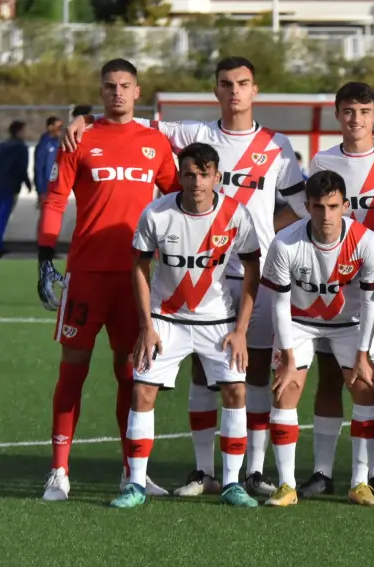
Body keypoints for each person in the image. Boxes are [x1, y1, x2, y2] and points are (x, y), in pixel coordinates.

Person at [64, 56, 305, 498]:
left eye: (243, 83)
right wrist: (84, 117)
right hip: (192, 279)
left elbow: (302, 204)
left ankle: (249, 472)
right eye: (226, 84)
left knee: (246, 376)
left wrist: (265, 226)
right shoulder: (195, 134)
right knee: (199, 373)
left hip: (252, 270)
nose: (234, 91)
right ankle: (201, 471)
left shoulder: (277, 145)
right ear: (215, 90)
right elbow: (128, 120)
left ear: (255, 90)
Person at [37, 58, 179, 501]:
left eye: (125, 85)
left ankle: (131, 472)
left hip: (135, 278)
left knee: (130, 376)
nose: (117, 92)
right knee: (71, 372)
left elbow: (176, 198)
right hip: (85, 276)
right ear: (100, 92)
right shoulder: (81, 137)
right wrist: (44, 254)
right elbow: (57, 197)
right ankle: (59, 472)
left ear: (138, 92)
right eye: (109, 86)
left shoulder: (155, 142)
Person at [111, 142, 261, 509]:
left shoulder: (237, 216)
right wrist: (146, 325)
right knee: (141, 392)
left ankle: (230, 483)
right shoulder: (157, 213)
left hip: (218, 320)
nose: (196, 182)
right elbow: (140, 268)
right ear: (179, 176)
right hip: (166, 319)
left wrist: (241, 330)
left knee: (236, 392)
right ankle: (135, 484)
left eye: (204, 174)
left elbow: (253, 270)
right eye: (189, 174)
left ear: (217, 177)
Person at [289, 82, 374, 500]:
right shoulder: (324, 159)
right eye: (347, 111)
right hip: (333, 291)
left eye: (363, 110)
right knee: (328, 378)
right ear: (337, 115)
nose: (355, 118)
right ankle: (322, 472)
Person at [261, 170, 374, 507]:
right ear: (307, 207)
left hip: (351, 324)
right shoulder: (285, 242)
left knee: (365, 387)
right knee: (286, 389)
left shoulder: (367, 242)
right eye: (318, 207)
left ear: (346, 205)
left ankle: (360, 482)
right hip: (299, 322)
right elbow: (280, 304)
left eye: (333, 206)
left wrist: (362, 354)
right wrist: (287, 359)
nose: (326, 215)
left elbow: (372, 303)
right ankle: (286, 486)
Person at [0, 120, 31, 256]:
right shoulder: (21, 148)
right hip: (9, 186)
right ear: (19, 131)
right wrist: (28, 183)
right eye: (24, 131)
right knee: (2, 216)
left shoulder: (2, 145)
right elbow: (21, 168)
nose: (25, 134)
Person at [34, 116, 63, 207]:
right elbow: (38, 168)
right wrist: (41, 190)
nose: (60, 130)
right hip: (47, 189)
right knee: (46, 217)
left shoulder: (58, 143)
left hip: (57, 188)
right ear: (50, 127)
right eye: (58, 127)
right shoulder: (44, 144)